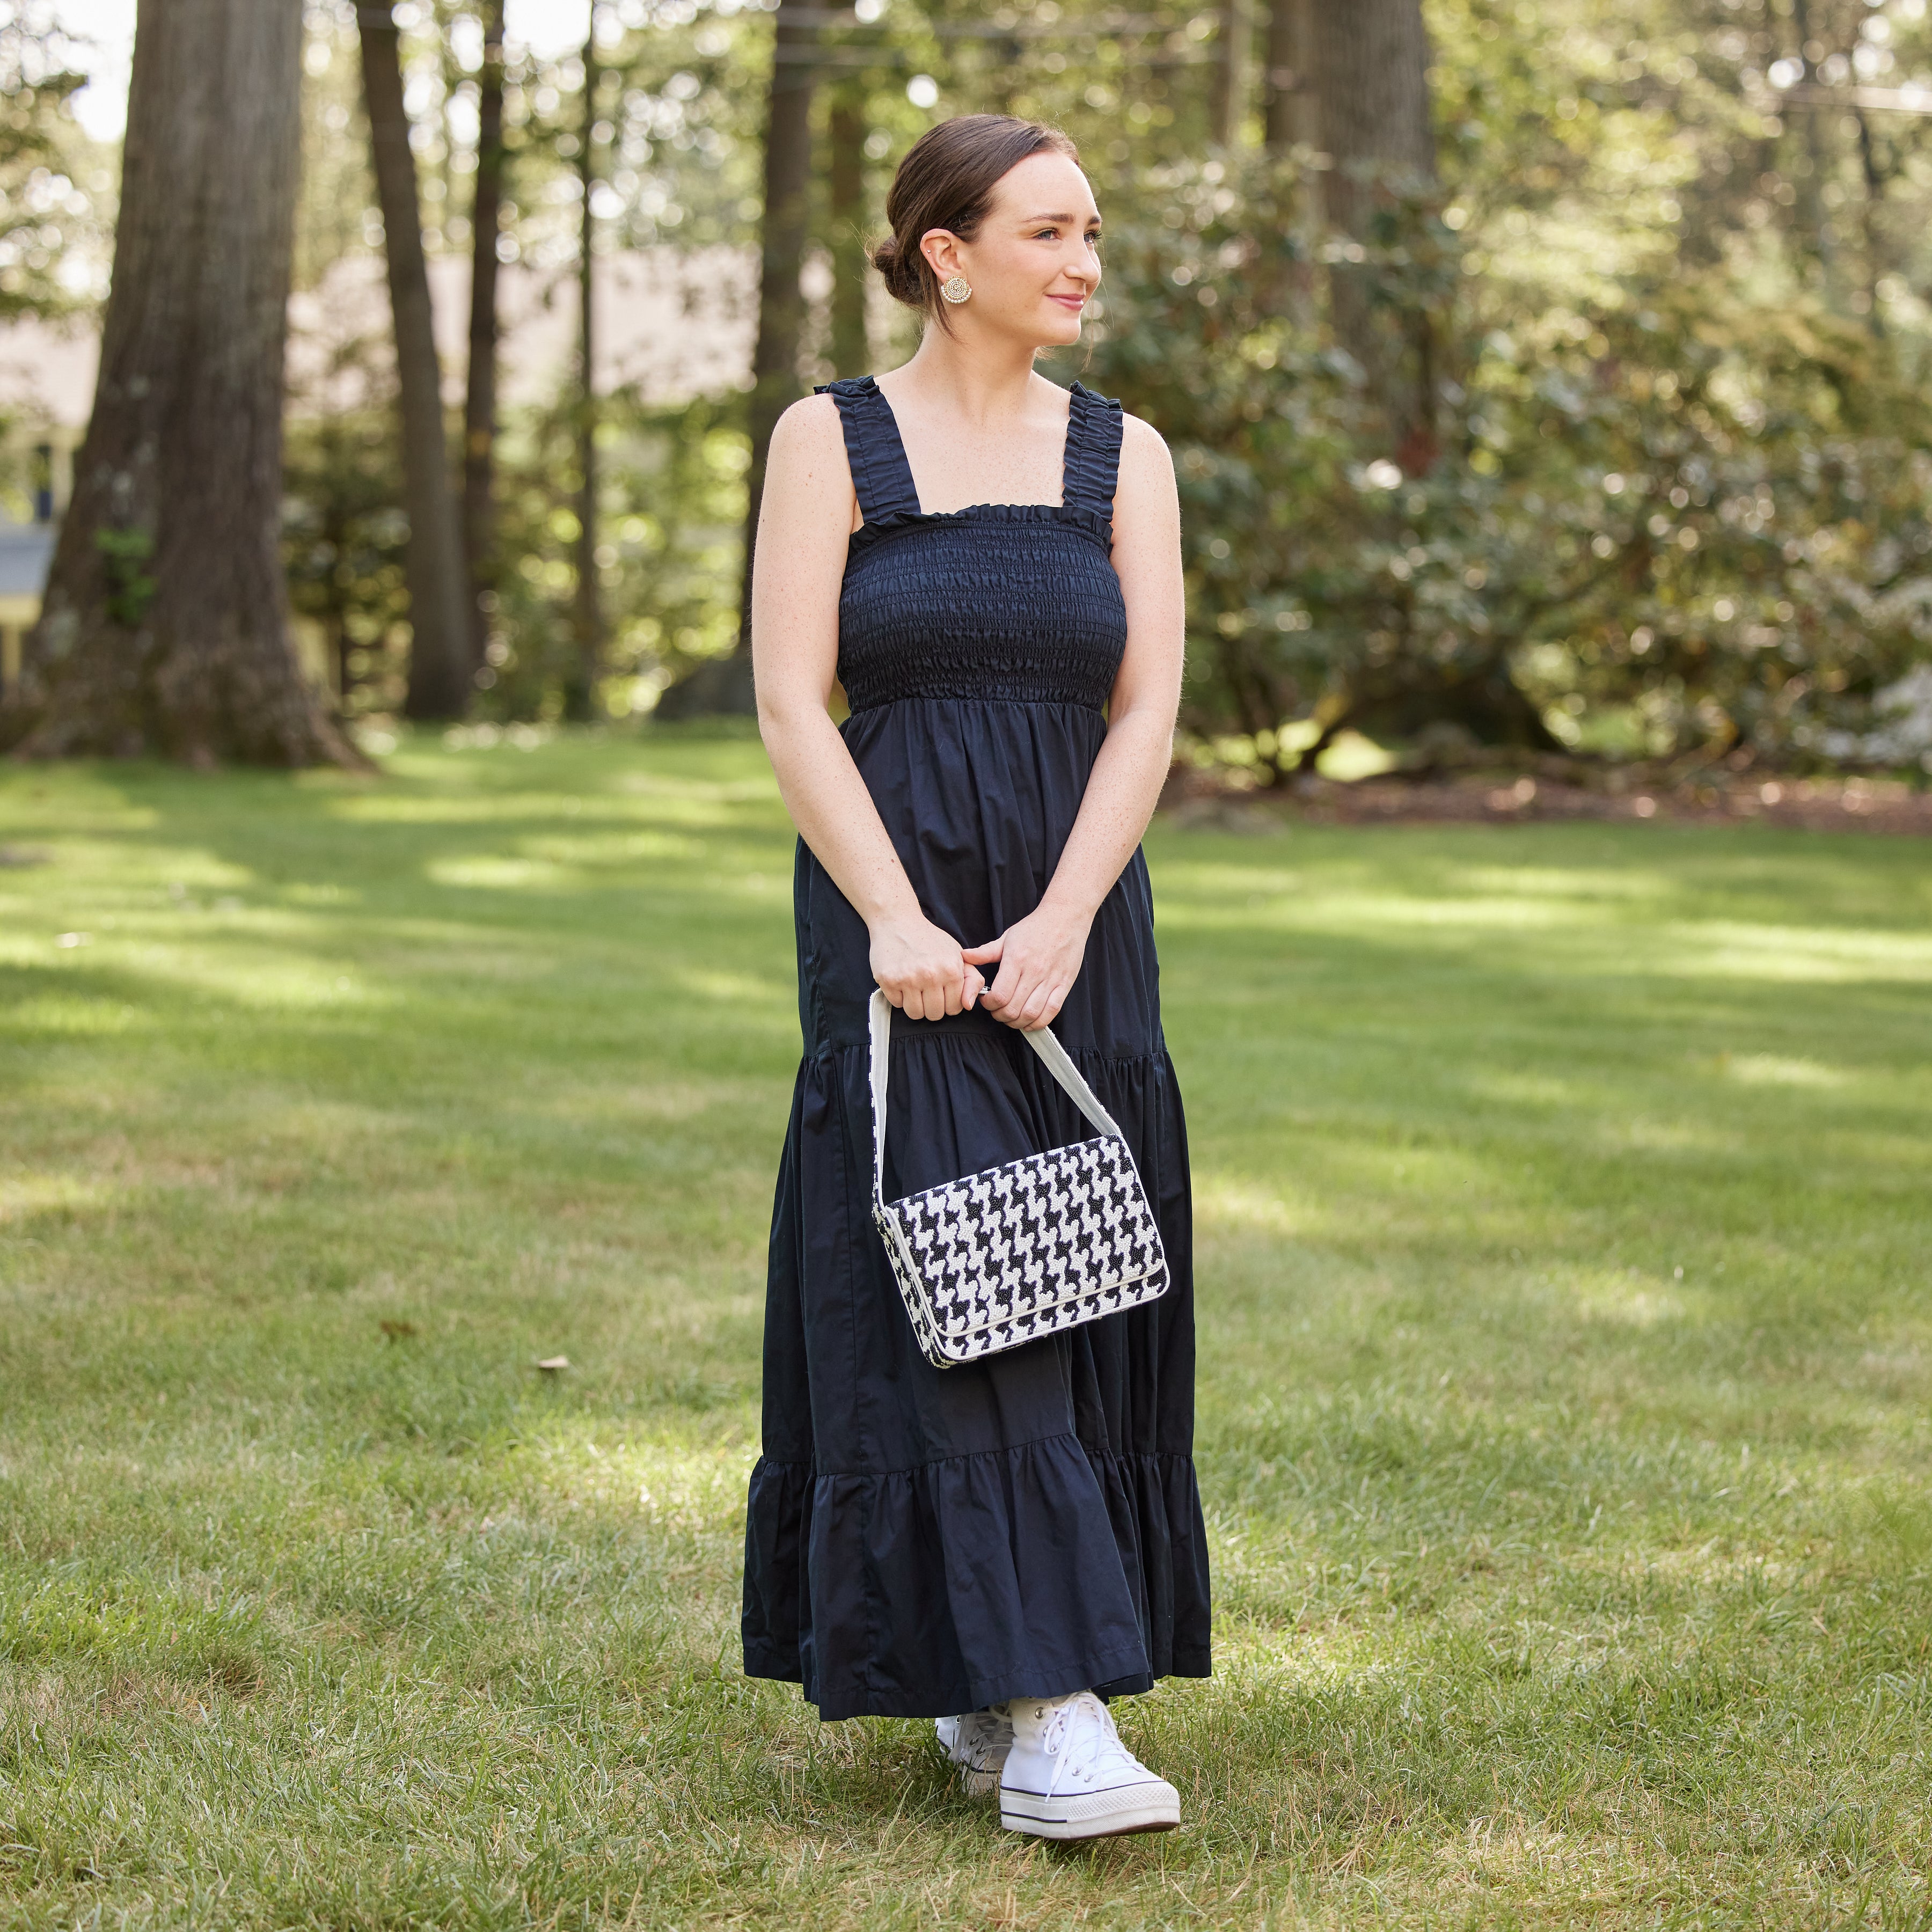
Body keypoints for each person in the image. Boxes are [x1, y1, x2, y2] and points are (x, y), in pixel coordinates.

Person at [742, 113, 1209, 1842]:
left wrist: (1075, 912)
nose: (1086, 260)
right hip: (898, 908)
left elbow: (1146, 704)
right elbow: (795, 700)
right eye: (1050, 231)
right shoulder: (831, 440)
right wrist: (891, 919)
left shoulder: (1122, 456)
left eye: (1094, 229)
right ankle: (1058, 1709)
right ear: (948, 255)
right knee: (949, 1262)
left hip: (1077, 906)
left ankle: (995, 1667)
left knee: (1069, 1267)